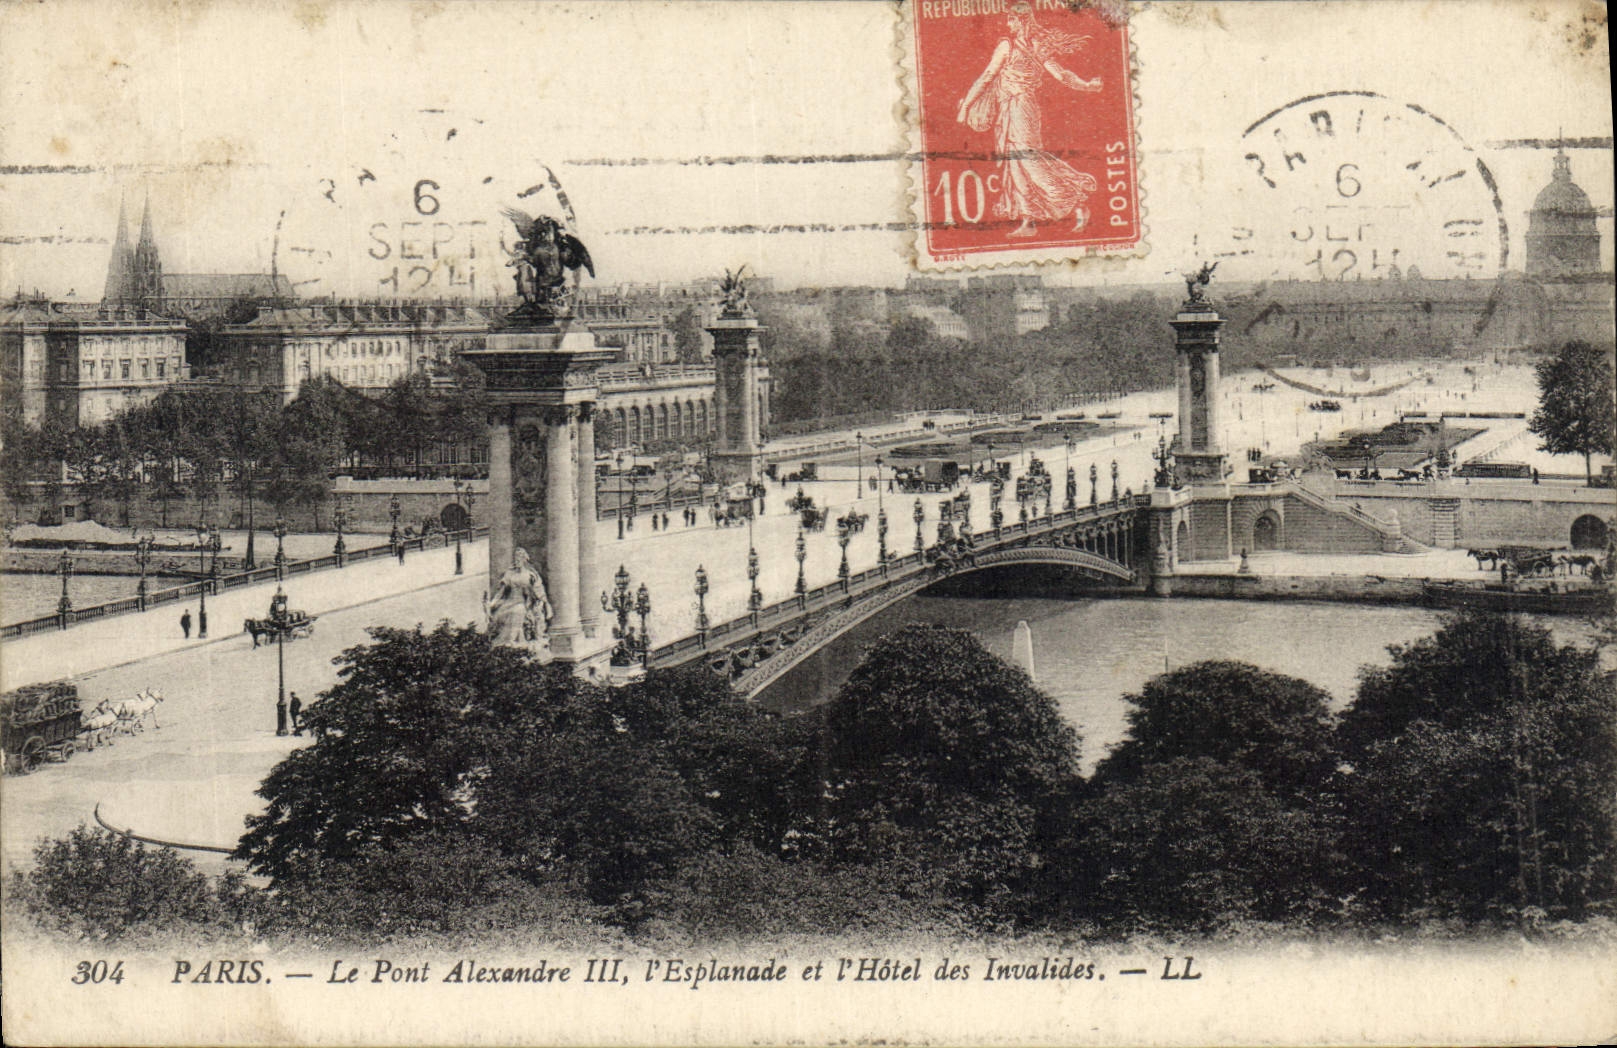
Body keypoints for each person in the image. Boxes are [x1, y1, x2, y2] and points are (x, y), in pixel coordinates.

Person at [956, 1, 1102, 238]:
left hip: (1021, 108)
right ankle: (1028, 221)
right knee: (1016, 164)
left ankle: (1075, 201)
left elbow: (986, 78)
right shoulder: (1032, 45)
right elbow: (1061, 75)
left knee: (1029, 161)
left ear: (1021, 20)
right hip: (1010, 108)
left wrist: (965, 109)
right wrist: (1086, 85)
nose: (1008, 23)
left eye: (1011, 19)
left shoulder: (1012, 45)